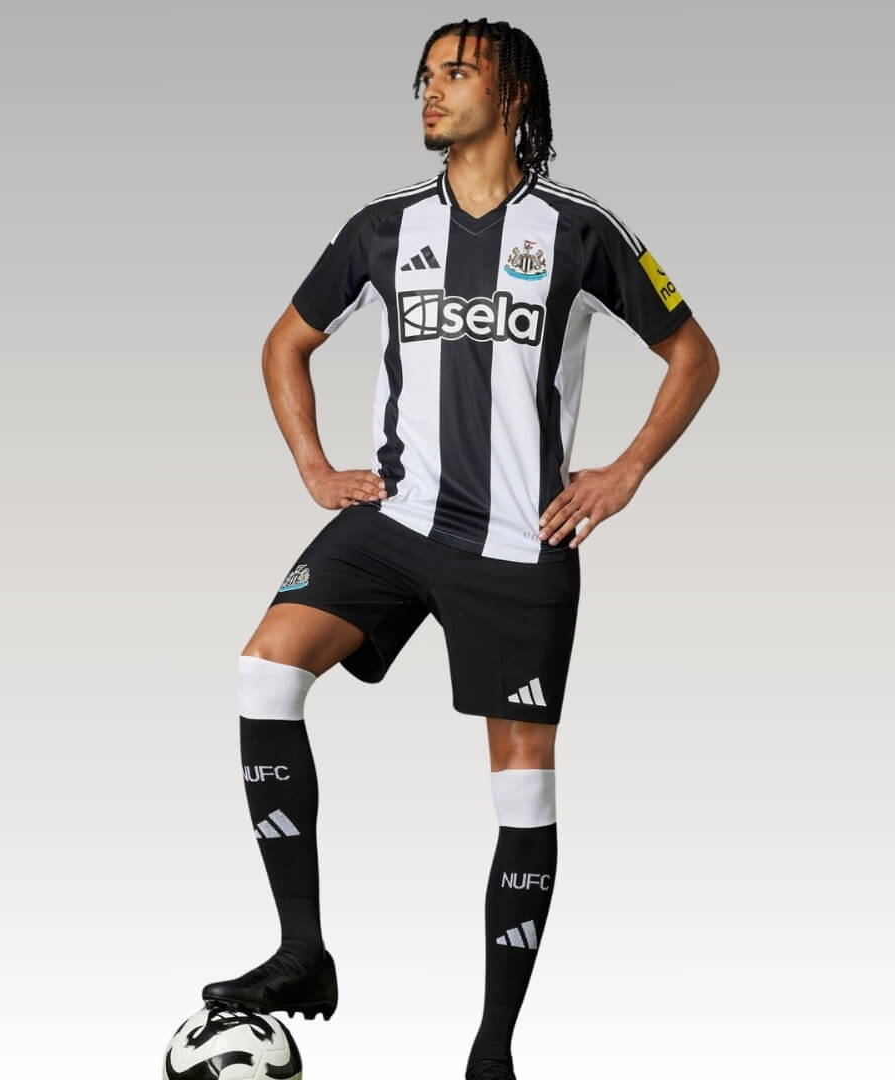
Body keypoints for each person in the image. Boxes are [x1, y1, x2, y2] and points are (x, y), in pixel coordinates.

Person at [200, 17, 719, 1080]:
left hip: (520, 548)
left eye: (456, 73)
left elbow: (693, 354)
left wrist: (624, 472)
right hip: (396, 525)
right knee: (263, 670)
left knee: (523, 788)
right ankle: (302, 953)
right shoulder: (383, 228)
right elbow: (286, 342)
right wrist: (314, 466)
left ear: (513, 95)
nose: (431, 92)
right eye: (425, 76)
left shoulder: (579, 230)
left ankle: (492, 1050)